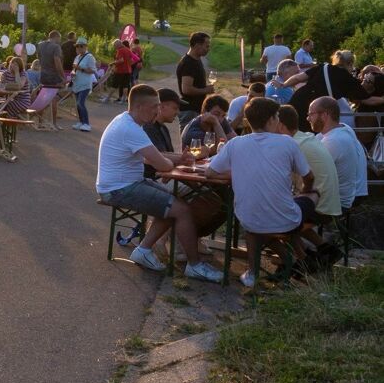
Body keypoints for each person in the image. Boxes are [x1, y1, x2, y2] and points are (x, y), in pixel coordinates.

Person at [96, 84, 222, 283]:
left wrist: (180, 158)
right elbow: (161, 164)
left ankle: (144, 250)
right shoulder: (131, 128)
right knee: (181, 210)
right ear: (139, 107)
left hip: (125, 184)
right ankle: (195, 266)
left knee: (176, 203)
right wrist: (177, 160)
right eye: (154, 106)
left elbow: (150, 157)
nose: (157, 110)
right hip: (118, 189)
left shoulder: (126, 121)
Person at [207, 98, 314, 288]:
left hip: (248, 220)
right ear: (273, 119)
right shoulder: (287, 142)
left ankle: (253, 272)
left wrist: (239, 170)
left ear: (248, 121)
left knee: (257, 223)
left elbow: (210, 172)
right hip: (285, 219)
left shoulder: (235, 144)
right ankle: (299, 258)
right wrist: (306, 191)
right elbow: (309, 177)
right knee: (312, 196)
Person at [276, 105, 343, 267]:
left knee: (272, 218)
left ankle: (301, 262)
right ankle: (324, 249)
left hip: (319, 205)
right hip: (330, 202)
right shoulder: (304, 137)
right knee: (284, 209)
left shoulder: (291, 146)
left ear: (279, 125)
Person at [287, 50, 381, 125]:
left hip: (297, 101)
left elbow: (297, 78)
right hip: (312, 110)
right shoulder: (346, 78)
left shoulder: (323, 67)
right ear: (350, 63)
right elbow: (368, 100)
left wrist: (283, 84)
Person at [308, 96, 368, 212]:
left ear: (324, 115)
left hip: (343, 200)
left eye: (311, 114)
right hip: (354, 192)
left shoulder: (334, 140)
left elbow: (311, 173)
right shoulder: (343, 128)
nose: (308, 118)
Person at [176, 31, 214, 125]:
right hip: (189, 110)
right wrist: (206, 90)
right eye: (207, 46)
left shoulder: (196, 60)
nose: (208, 49)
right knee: (190, 139)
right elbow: (186, 89)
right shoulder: (189, 63)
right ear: (197, 45)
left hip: (195, 109)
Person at [143, 88, 181, 177]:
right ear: (161, 106)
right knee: (200, 189)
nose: (178, 112)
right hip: (154, 178)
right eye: (175, 108)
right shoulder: (148, 127)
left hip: (167, 175)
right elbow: (157, 156)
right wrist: (183, 158)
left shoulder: (163, 128)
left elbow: (170, 156)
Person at [36, 31, 66, 128]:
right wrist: (62, 76)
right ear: (56, 37)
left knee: (42, 97)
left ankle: (40, 122)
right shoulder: (56, 47)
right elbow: (57, 61)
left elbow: (39, 59)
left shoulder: (40, 46)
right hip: (53, 76)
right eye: (59, 38)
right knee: (54, 99)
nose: (59, 41)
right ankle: (54, 123)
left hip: (43, 74)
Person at [71, 38, 96, 132]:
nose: (78, 48)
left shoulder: (90, 57)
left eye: (81, 46)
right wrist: (73, 72)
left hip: (85, 84)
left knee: (80, 103)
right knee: (78, 104)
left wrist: (80, 68)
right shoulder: (77, 57)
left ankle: (86, 123)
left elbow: (93, 70)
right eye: (77, 46)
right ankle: (81, 122)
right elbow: (74, 69)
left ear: (85, 47)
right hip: (77, 83)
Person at [108, 39, 136, 104]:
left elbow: (121, 60)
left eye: (115, 46)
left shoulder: (120, 50)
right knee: (125, 86)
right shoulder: (128, 49)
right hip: (128, 71)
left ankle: (108, 98)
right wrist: (128, 64)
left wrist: (113, 63)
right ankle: (123, 100)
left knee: (114, 85)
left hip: (120, 71)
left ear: (118, 45)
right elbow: (133, 60)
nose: (114, 47)